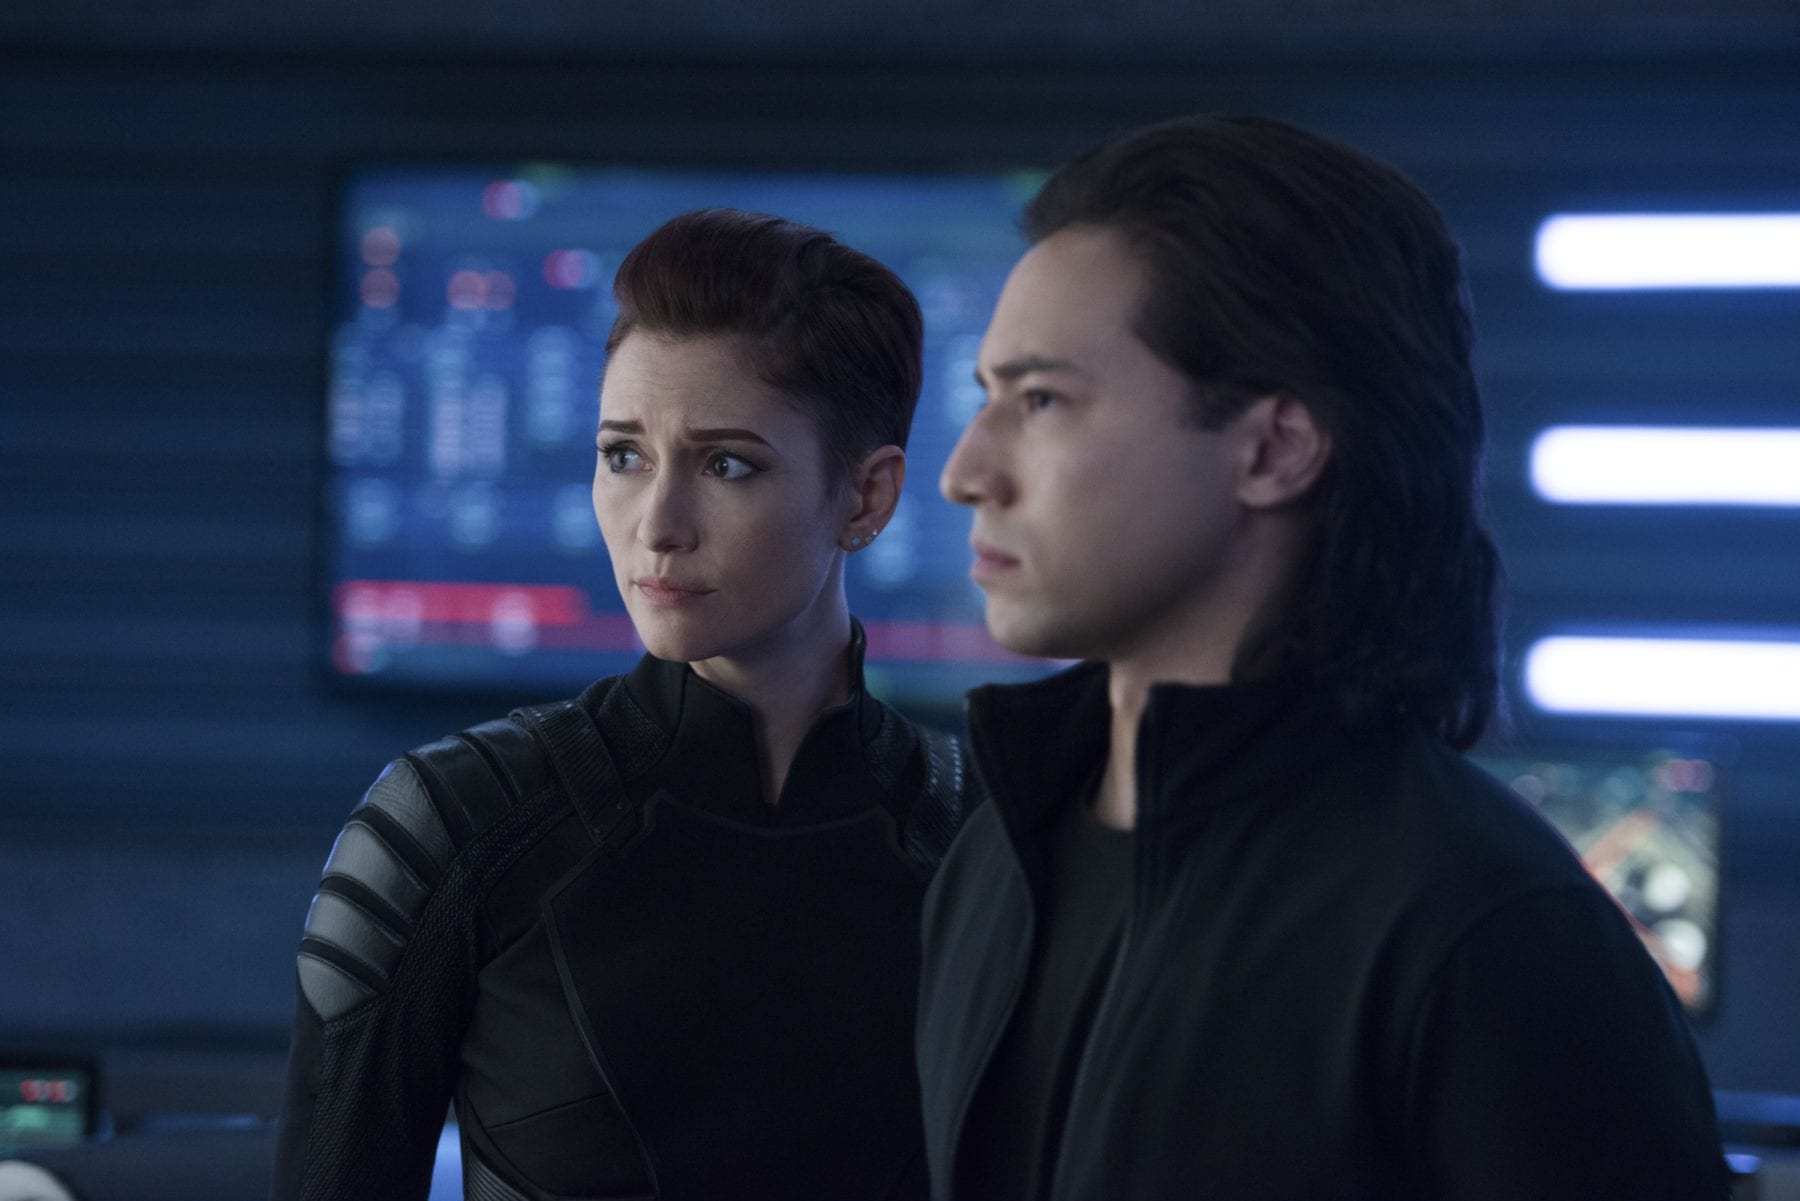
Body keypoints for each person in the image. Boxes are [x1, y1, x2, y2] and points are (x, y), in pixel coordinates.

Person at [916, 114, 1727, 1201]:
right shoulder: (995, 865)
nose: (966, 471)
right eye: (986, 396)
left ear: (1274, 448)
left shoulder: (1488, 928)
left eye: (1042, 400)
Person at [272, 208, 971, 1201]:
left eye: (727, 464)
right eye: (623, 455)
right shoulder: (456, 826)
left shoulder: (984, 838)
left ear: (867, 498)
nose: (657, 524)